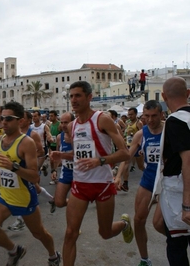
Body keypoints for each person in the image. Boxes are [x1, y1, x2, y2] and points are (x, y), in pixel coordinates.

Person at [50, 81, 132, 266]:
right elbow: (79, 155)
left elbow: (124, 153)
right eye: (71, 96)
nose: (73, 100)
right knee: (70, 233)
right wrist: (62, 155)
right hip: (80, 185)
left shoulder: (101, 119)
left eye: (78, 95)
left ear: (89, 97)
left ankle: (125, 224)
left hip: (102, 184)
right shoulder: (71, 126)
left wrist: (100, 160)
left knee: (105, 233)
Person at [0, 101, 61, 266]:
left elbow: (34, 177)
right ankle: (14, 250)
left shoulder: (26, 142)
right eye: (2, 118)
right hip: (4, 196)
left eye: (8, 118)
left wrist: (13, 166)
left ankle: (53, 255)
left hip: (24, 198)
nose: (3, 122)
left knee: (39, 233)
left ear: (19, 121)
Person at [114, 100, 164, 266]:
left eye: (154, 116)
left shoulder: (169, 131)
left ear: (161, 115)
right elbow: (126, 157)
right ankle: (144, 259)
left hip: (167, 181)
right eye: (146, 116)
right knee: (138, 220)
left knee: (162, 224)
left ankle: (178, 239)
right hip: (149, 180)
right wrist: (119, 176)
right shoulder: (141, 134)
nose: (150, 120)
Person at [158, 77, 190, 265]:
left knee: (177, 247)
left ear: (163, 96)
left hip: (179, 194)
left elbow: (187, 160)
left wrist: (186, 205)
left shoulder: (176, 121)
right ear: (187, 94)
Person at [51, 112, 75, 208]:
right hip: (66, 171)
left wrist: (62, 155)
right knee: (59, 202)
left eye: (66, 122)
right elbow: (58, 157)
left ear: (73, 122)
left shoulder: (79, 136)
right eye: (62, 122)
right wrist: (54, 170)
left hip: (79, 172)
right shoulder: (59, 137)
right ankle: (76, 203)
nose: (63, 125)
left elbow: (78, 156)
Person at [120, 107, 144, 191]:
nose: (129, 116)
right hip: (128, 146)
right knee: (126, 163)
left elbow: (143, 134)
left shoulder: (139, 123)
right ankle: (125, 183)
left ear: (136, 114)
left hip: (137, 147)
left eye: (131, 114)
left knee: (141, 166)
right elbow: (126, 133)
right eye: (128, 114)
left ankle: (151, 176)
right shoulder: (128, 122)